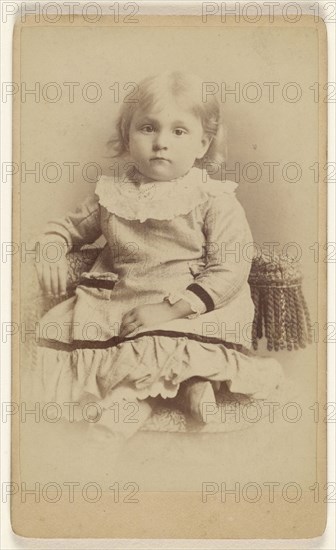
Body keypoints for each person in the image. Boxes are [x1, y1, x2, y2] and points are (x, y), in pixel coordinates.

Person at [34, 70, 283, 440]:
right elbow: (66, 228)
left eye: (178, 131)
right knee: (119, 336)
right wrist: (52, 249)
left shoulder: (213, 199)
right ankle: (184, 388)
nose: (161, 143)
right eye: (147, 128)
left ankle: (146, 399)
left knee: (167, 339)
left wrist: (171, 309)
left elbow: (230, 269)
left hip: (186, 306)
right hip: (125, 299)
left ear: (202, 144)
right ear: (126, 135)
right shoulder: (111, 195)